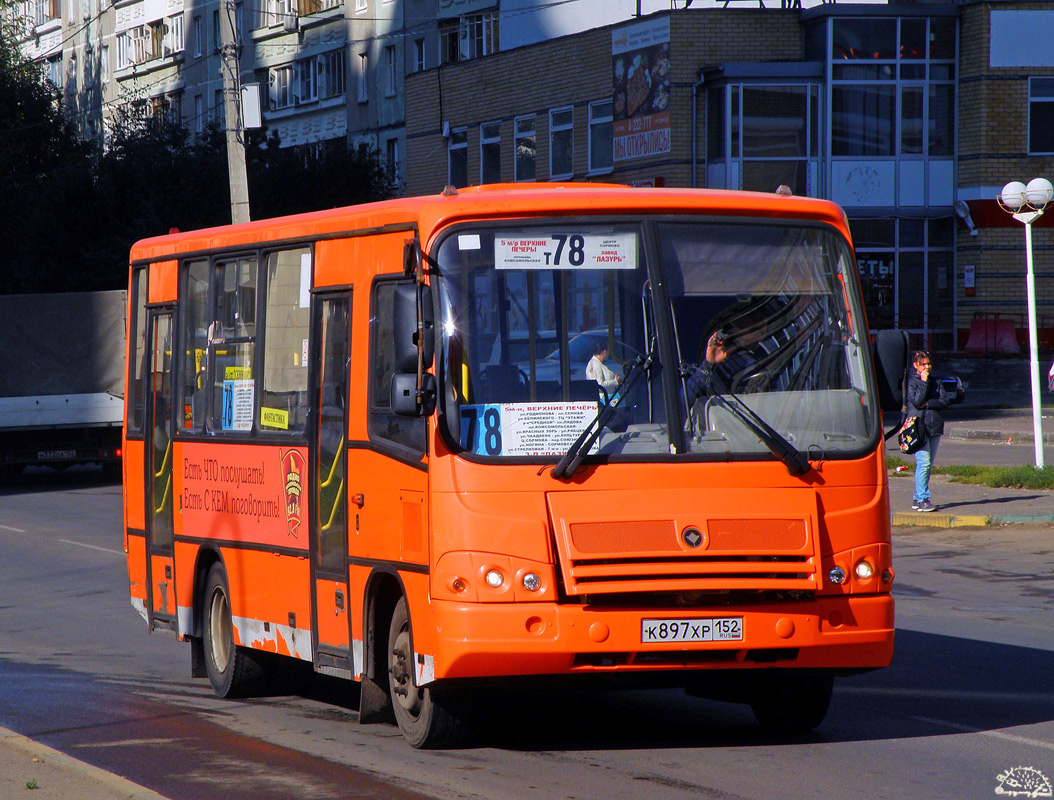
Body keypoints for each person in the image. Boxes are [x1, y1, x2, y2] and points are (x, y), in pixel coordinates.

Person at [906, 350, 952, 512]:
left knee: (927, 464)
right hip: (918, 427)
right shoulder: (912, 382)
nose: (927, 367)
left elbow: (944, 401)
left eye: (929, 363)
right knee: (923, 463)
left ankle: (917, 497)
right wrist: (924, 382)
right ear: (915, 365)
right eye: (923, 364)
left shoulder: (936, 381)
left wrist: (928, 404)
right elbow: (916, 400)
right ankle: (923, 498)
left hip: (934, 426)